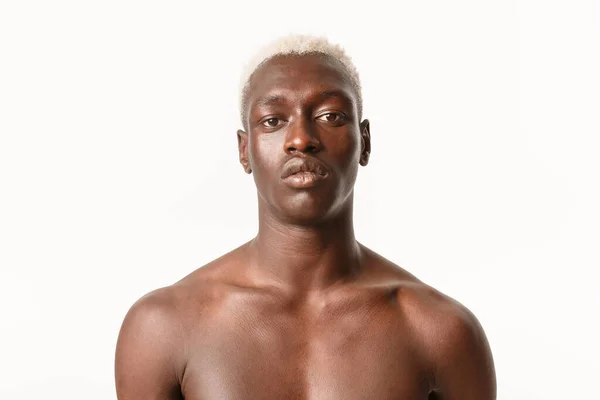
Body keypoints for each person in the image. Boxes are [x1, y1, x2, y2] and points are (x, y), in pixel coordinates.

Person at [115, 34, 496, 399]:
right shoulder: (163, 327)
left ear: (365, 141)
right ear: (244, 150)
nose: (301, 138)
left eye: (330, 115)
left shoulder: (440, 331)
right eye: (273, 120)